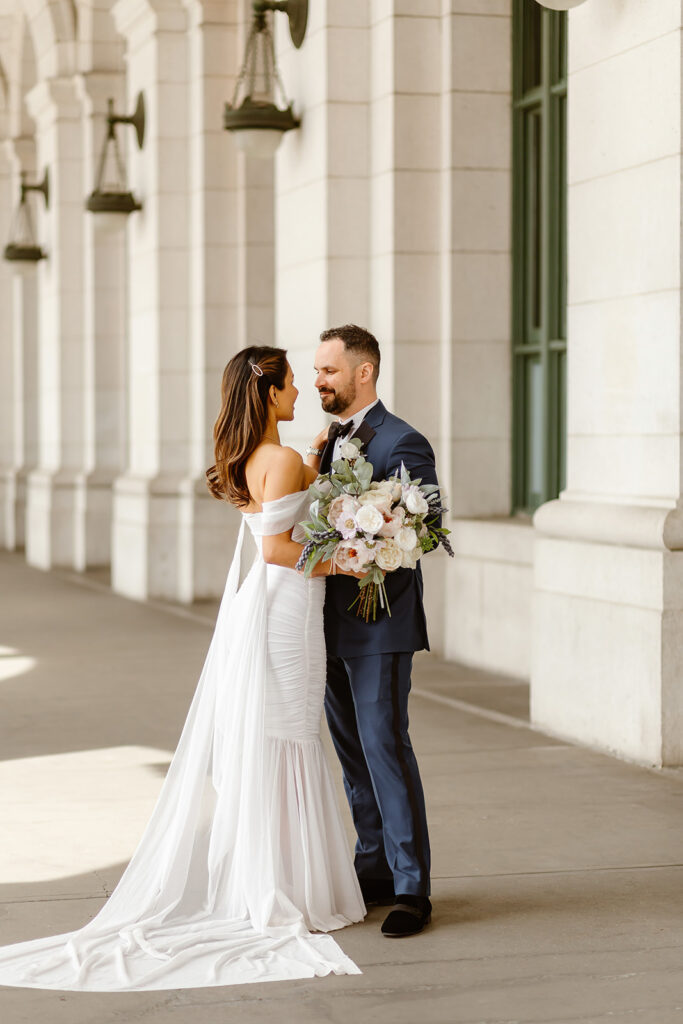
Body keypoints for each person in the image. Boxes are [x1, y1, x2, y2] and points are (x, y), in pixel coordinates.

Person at [0, 346, 366, 992]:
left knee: (283, 738)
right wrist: (347, 562)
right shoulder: (276, 459)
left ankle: (278, 877)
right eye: (289, 385)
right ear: (270, 392)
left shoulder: (265, 457)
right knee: (287, 739)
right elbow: (279, 548)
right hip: (284, 612)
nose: (298, 393)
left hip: (282, 611)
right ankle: (280, 887)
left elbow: (281, 509)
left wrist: (316, 464)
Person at [306, 324, 437, 938]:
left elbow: (423, 531)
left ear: (364, 372)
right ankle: (374, 867)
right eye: (316, 371)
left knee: (385, 747)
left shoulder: (404, 441)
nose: (318, 381)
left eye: (328, 370)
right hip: (325, 625)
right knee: (352, 754)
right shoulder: (327, 442)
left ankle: (412, 888)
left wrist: (369, 538)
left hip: (380, 625)